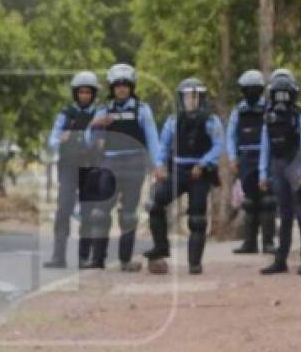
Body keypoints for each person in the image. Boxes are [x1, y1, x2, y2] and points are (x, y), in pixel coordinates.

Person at [84, 63, 161, 271]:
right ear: (111, 87)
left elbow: (153, 139)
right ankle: (97, 259)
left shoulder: (142, 110)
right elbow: (87, 138)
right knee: (100, 212)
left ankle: (125, 260)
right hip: (109, 163)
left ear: (132, 87)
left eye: (125, 84)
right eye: (117, 85)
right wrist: (95, 125)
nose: (121, 88)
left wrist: (158, 165)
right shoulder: (102, 110)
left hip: (135, 163)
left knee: (128, 214)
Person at [144, 78, 223, 275]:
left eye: (195, 96)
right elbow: (163, 146)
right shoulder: (173, 121)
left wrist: (203, 163)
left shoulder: (211, 121)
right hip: (178, 171)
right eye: (188, 96)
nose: (191, 100)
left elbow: (218, 146)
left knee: (197, 219)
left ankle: (194, 263)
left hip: (200, 174)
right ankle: (161, 247)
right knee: (155, 203)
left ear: (201, 98)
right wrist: (160, 165)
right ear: (181, 98)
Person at [259, 69, 301, 275]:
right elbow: (265, 148)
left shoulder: (299, 117)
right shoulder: (269, 118)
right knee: (284, 215)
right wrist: (263, 174)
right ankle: (280, 260)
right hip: (278, 167)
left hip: (296, 166)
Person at [44, 71, 100, 269]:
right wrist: (60, 139)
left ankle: (85, 258)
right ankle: (58, 256)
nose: (84, 96)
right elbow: (52, 139)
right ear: (75, 93)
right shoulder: (65, 114)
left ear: (93, 94)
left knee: (88, 213)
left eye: (88, 92)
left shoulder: (99, 114)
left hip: (90, 168)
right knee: (63, 210)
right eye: (81, 92)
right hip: (68, 168)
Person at [227, 69, 276, 254]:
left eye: (254, 89)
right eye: (247, 89)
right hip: (245, 159)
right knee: (250, 202)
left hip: (265, 157)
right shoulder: (238, 111)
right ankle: (250, 243)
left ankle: (269, 242)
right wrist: (232, 157)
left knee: (268, 201)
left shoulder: (268, 109)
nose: (251, 92)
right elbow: (230, 136)